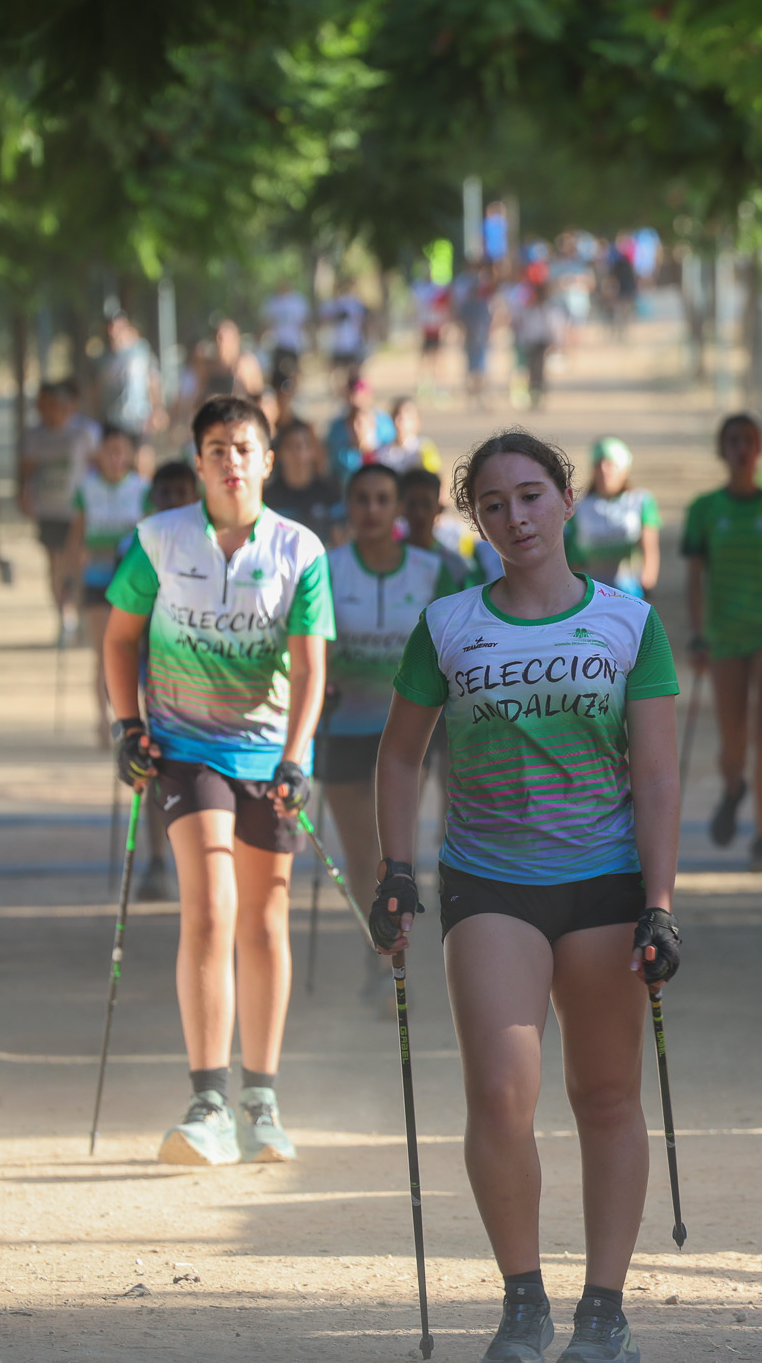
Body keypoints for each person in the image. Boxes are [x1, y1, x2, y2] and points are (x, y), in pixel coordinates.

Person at [371, 430, 681, 1363]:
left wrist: (660, 903)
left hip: (604, 885)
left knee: (606, 1094)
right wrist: (396, 870)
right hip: (489, 881)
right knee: (502, 1093)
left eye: (532, 495)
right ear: (476, 520)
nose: (516, 517)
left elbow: (658, 777)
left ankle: (604, 1311)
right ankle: (521, 1302)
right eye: (494, 504)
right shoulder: (449, 624)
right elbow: (399, 753)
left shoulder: (629, 622)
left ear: (567, 500)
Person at [102, 394, 334, 1166]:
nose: (231, 461)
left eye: (243, 448)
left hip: (269, 755)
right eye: (215, 449)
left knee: (263, 922)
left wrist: (296, 754)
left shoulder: (301, 550)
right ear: (198, 463)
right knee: (210, 909)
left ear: (267, 460)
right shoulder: (158, 540)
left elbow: (310, 667)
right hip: (185, 750)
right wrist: (127, 726)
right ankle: (207, 1101)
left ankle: (260, 1098)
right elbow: (119, 638)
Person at [318, 463, 464, 996]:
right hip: (342, 729)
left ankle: (388, 962)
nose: (372, 510)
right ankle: (376, 950)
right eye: (362, 499)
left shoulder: (431, 571)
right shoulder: (326, 568)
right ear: (348, 507)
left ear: (398, 508)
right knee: (360, 856)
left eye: (383, 499)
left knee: (391, 854)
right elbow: (307, 646)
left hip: (407, 736)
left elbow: (453, 648)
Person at [682, 413, 762, 872]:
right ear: (722, 450)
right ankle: (734, 787)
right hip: (724, 638)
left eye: (748, 441)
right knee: (732, 742)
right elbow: (694, 579)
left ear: (759, 450)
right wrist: (698, 635)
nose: (741, 449)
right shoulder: (704, 510)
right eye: (732, 440)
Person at [127, 459, 203, 903]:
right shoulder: (139, 544)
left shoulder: (212, 546)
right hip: (154, 671)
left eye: (181, 492)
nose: (173, 501)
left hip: (209, 677)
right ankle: (157, 860)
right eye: (165, 493)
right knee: (153, 764)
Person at [66, 426, 151, 741]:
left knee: (136, 651)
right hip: (97, 579)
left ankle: (135, 718)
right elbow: (76, 536)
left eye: (121, 451)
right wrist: (69, 578)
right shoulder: (86, 489)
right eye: (109, 451)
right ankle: (103, 719)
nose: (115, 458)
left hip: (133, 583)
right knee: (104, 651)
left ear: (130, 455)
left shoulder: (143, 489)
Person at [20, 380, 96, 642]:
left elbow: (96, 465)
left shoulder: (82, 434)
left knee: (76, 563)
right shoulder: (35, 436)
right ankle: (64, 616)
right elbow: (27, 470)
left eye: (51, 405)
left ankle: (80, 614)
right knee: (54, 564)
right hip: (48, 509)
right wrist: (24, 494)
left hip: (76, 512)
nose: (45, 411)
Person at [566, 437, 661, 599]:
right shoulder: (579, 508)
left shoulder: (641, 501)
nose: (604, 470)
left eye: (610, 464)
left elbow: (649, 546)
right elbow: (573, 555)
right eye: (599, 464)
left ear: (624, 469)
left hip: (630, 587)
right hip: (592, 589)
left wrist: (647, 581)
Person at [401, 466, 500, 587]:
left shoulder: (456, 567)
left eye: (426, 504)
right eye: (412, 504)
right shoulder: (387, 559)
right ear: (400, 508)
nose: (419, 513)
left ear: (440, 508)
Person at [264, 418, 344, 545]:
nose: (298, 453)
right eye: (291, 446)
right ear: (279, 453)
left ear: (314, 451)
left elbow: (339, 540)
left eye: (305, 445)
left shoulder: (330, 491)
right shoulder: (268, 496)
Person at [97, 311, 160, 449]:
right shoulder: (104, 358)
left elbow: (153, 380)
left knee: (143, 454)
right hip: (113, 419)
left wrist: (157, 409)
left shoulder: (141, 351)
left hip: (139, 416)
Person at [325, 374, 395, 479]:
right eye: (352, 392)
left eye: (359, 392)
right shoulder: (337, 428)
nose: (355, 398)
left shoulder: (384, 422)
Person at [454, 260, 497, 411]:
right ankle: (476, 397)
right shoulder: (475, 305)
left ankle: (479, 397)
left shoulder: (475, 305)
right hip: (475, 340)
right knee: (477, 370)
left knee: (477, 370)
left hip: (477, 340)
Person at [514, 280, 559, 410]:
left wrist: (553, 342)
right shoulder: (529, 309)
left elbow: (551, 326)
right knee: (532, 370)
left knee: (538, 370)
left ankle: (538, 396)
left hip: (540, 342)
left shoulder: (544, 309)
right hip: (531, 342)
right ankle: (534, 396)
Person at [376, 394, 440, 475]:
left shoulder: (424, 448)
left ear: (417, 421)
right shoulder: (381, 452)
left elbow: (433, 475)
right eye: (395, 416)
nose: (398, 422)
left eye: (405, 418)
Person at [322, 280, 370, 382]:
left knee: (354, 372)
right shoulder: (336, 304)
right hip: (339, 344)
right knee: (339, 373)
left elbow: (365, 322)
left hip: (352, 343)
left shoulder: (355, 304)